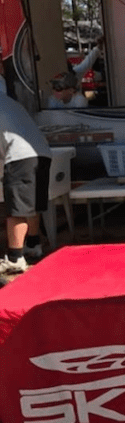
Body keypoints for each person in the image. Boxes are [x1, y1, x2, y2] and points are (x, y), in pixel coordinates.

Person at [0, 67, 52, 274]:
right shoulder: (10, 102)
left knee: (17, 210)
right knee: (31, 206)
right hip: (41, 152)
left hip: (20, 155)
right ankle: (33, 244)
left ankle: (15, 258)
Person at [47, 37, 103, 109]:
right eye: (54, 87)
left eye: (59, 88)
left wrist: (98, 48)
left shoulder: (76, 72)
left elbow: (88, 61)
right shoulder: (53, 100)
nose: (56, 91)